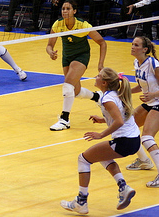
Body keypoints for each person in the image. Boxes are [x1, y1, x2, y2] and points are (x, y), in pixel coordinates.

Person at [60, 67, 139, 214]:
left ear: (104, 83)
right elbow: (121, 116)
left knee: (83, 159)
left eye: (98, 76)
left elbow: (119, 121)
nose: (95, 77)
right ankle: (123, 187)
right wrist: (103, 120)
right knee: (102, 157)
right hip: (134, 140)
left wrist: (101, 135)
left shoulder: (107, 99)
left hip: (123, 141)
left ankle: (81, 202)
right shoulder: (116, 94)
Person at [46, 0, 107, 131]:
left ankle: (64, 119)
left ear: (74, 11)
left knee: (67, 84)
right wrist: (51, 52)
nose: (65, 11)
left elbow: (102, 42)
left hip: (81, 56)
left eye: (68, 9)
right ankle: (97, 97)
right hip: (66, 58)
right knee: (75, 91)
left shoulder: (83, 25)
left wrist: (100, 64)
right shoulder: (58, 24)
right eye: (63, 9)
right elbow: (49, 45)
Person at [125, 36, 159, 187]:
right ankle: (144, 161)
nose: (132, 46)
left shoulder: (153, 64)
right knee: (127, 127)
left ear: (145, 49)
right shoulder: (136, 63)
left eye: (136, 45)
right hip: (150, 102)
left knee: (146, 137)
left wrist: (153, 95)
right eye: (132, 44)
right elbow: (141, 86)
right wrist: (124, 92)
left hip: (157, 102)